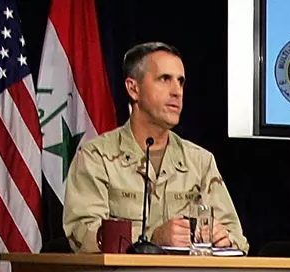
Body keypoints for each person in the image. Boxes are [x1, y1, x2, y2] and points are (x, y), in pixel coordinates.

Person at [61, 43, 247, 253]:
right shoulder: (97, 158)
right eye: (164, 79)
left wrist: (224, 239)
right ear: (133, 88)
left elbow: (238, 239)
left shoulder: (200, 162)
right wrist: (153, 238)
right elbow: (83, 235)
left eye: (181, 81)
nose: (177, 91)